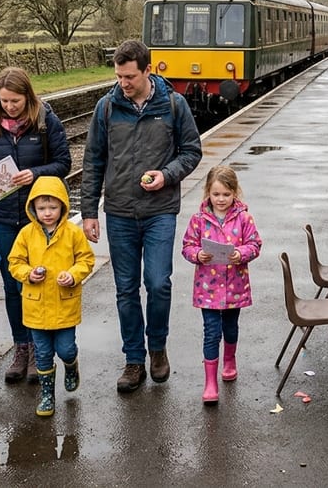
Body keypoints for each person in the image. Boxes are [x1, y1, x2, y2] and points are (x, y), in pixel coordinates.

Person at [81, 39, 202, 393]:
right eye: (119, 76)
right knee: (125, 289)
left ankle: (157, 347)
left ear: (149, 70)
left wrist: (167, 174)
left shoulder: (174, 105)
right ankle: (134, 360)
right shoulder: (106, 108)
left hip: (159, 210)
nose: (123, 83)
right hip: (119, 212)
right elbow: (93, 160)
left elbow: (192, 151)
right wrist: (89, 212)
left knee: (158, 283)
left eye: (130, 77)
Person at [0, 66, 71, 385]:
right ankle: (21, 348)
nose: (10, 107)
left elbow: (64, 163)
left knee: (37, 282)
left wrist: (35, 174)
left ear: (28, 96)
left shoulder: (46, 122)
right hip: (2, 217)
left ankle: (41, 350)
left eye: (15, 101)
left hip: (37, 218)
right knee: (13, 285)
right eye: (4, 101)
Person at [8, 177, 95, 417]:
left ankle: (71, 365)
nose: (47, 213)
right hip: (36, 307)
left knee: (66, 349)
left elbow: (86, 259)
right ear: (33, 208)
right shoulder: (26, 234)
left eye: (53, 207)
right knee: (43, 353)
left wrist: (73, 275)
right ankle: (47, 395)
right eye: (42, 208)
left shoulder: (72, 233)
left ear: (63, 207)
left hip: (64, 304)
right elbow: (15, 262)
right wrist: (28, 274)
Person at [180, 165, 262, 404]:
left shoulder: (244, 218)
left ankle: (229, 360)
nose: (221, 199)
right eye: (216, 194)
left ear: (235, 193)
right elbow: (187, 246)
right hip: (208, 288)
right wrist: (198, 255)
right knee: (211, 332)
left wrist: (240, 254)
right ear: (208, 192)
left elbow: (255, 244)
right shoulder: (198, 220)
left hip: (235, 286)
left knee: (231, 328)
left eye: (226, 194)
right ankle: (210, 382)